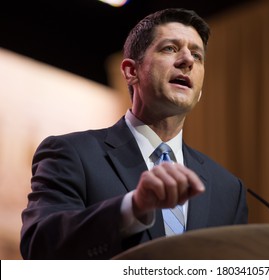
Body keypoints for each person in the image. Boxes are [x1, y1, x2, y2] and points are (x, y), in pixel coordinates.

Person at [20, 8, 248, 260]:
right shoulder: (73, 153)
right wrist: (133, 208)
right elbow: (39, 248)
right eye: (170, 48)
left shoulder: (228, 188)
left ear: (200, 90)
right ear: (131, 72)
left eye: (197, 55)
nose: (188, 61)